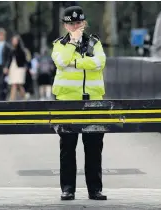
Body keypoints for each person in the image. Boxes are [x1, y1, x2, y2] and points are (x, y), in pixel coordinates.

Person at [51, 6, 107, 201]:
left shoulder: (95, 42)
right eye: (71, 23)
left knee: (93, 146)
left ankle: (95, 189)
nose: (75, 26)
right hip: (67, 102)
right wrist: (73, 44)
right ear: (66, 25)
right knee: (67, 146)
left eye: (78, 23)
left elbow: (99, 62)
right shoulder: (59, 44)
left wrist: (75, 63)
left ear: (84, 23)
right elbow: (61, 61)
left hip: (93, 102)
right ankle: (67, 188)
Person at [5, 35, 31, 101]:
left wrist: (26, 68)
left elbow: (25, 60)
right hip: (13, 68)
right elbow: (9, 60)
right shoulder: (11, 50)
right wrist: (7, 68)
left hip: (20, 68)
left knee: (16, 84)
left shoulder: (22, 50)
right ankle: (24, 97)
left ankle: (12, 100)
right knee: (17, 84)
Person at [0, 28, 13, 100]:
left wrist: (6, 67)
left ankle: (2, 98)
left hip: (3, 66)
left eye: (2, 35)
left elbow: (9, 58)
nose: (0, 37)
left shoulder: (7, 46)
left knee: (3, 83)